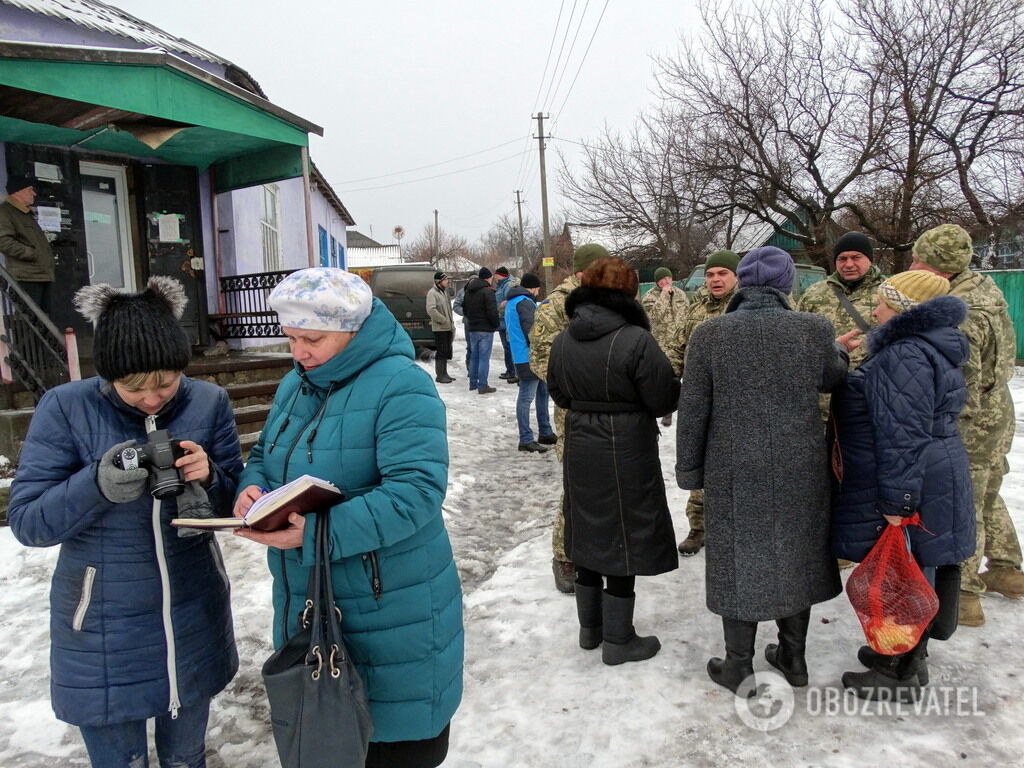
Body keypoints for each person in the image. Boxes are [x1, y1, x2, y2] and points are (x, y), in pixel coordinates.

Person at [7, 277, 243, 768]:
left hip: (192, 615)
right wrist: (95, 485)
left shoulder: (208, 403)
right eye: (134, 387)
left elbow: (236, 503)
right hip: (100, 626)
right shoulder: (66, 408)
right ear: (108, 374)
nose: (152, 398)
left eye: (165, 382)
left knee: (187, 758)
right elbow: (29, 522)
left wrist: (212, 477)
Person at [232, 267, 463, 768]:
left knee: (388, 744)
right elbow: (266, 456)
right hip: (308, 599)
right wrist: (251, 487)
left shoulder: (403, 387)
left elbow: (416, 494)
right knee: (325, 742)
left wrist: (313, 533)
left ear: (353, 329)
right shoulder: (298, 384)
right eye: (291, 338)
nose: (299, 353)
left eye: (311, 338)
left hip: (390, 607)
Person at [676, 246, 854, 695]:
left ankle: (739, 665)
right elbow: (832, 377)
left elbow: (693, 409)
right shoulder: (814, 329)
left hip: (733, 467)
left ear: (743, 283)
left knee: (738, 558)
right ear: (787, 284)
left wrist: (690, 471)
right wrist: (838, 352)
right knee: (796, 554)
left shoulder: (710, 334)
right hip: (800, 466)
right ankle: (793, 658)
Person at [831, 270, 975, 701]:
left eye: (882, 302)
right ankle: (906, 657)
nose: (874, 310)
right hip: (935, 467)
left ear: (903, 309)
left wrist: (898, 499)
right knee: (920, 565)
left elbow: (901, 433)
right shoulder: (929, 345)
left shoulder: (905, 354)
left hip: (915, 474)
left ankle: (900, 672)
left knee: (906, 569)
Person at [547, 257, 680, 665]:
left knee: (587, 530)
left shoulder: (563, 339)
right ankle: (619, 641)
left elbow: (558, 392)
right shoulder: (635, 339)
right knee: (624, 534)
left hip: (581, 444)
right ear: (627, 292)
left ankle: (591, 631)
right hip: (626, 446)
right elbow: (663, 397)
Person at [909, 224, 1024, 626]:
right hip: (998, 413)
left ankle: (966, 594)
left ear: (938, 269)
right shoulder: (984, 289)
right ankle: (1008, 568)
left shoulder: (958, 312)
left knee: (964, 505)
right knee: (989, 491)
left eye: (919, 262)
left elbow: (961, 382)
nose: (913, 267)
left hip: (970, 422)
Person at [529, 242, 609, 593]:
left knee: (609, 484)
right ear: (582, 271)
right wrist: (580, 383)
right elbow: (540, 359)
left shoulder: (612, 300)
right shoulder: (557, 306)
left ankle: (602, 551)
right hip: (575, 410)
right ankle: (565, 556)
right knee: (577, 486)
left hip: (612, 409)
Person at [665, 249, 740, 556]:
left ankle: (738, 529)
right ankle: (699, 527)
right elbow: (675, 350)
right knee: (701, 465)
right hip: (703, 405)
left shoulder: (745, 309)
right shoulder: (696, 312)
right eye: (710, 274)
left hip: (740, 405)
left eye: (722, 273)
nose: (715, 280)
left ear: (737, 276)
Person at [504, 272, 556, 453]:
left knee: (543, 391)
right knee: (526, 397)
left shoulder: (513, 302)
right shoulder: (524, 303)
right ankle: (526, 438)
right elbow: (532, 331)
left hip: (521, 355)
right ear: (532, 288)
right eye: (538, 288)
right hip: (529, 357)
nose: (538, 291)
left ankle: (545, 431)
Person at [0, 173, 55, 313]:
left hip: (41, 274)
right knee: (30, 320)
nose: (34, 193)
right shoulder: (5, 211)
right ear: (18, 191)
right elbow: (3, 241)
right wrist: (31, 254)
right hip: (27, 276)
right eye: (30, 189)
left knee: (43, 321)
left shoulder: (25, 214)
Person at [641, 266, 688, 427]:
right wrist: (663, 296)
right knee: (666, 378)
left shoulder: (681, 294)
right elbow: (654, 317)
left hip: (680, 341)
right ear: (657, 282)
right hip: (662, 344)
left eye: (668, 278)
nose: (666, 282)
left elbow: (687, 315)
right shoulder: (649, 297)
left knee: (685, 377)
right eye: (662, 280)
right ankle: (666, 410)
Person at [462, 266, 499, 394]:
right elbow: (492, 312)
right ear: (488, 278)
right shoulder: (488, 292)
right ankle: (482, 385)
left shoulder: (468, 291)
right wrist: (495, 325)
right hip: (485, 329)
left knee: (474, 357)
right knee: (484, 358)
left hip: (472, 328)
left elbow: (464, 310)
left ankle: (473, 384)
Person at [426, 270, 456, 384]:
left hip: (447, 327)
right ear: (439, 281)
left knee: (446, 351)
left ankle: (445, 373)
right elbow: (431, 309)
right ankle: (440, 375)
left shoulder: (443, 292)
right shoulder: (432, 293)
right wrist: (443, 320)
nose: (447, 281)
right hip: (440, 328)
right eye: (445, 280)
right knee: (441, 351)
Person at [493, 265, 520, 383]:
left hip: (505, 320)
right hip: (501, 321)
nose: (494, 277)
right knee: (506, 347)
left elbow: (508, 302)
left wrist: (500, 310)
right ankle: (509, 370)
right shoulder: (501, 285)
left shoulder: (508, 285)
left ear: (501, 275)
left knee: (509, 347)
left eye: (496, 275)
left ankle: (512, 371)